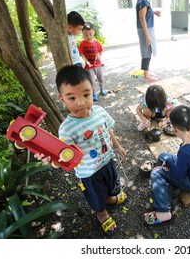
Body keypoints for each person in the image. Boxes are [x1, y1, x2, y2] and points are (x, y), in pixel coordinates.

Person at [36, 65, 127, 235]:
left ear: (92, 91)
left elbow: (108, 130)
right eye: (71, 98)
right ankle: (102, 214)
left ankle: (110, 198)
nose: (81, 102)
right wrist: (54, 160)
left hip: (107, 161)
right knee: (96, 196)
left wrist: (118, 146)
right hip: (89, 173)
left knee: (111, 185)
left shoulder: (99, 111)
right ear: (62, 99)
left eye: (86, 95)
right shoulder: (67, 129)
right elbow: (65, 156)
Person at [143, 105, 190, 226]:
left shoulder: (185, 151)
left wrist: (170, 165)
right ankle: (170, 187)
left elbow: (179, 173)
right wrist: (170, 162)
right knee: (162, 156)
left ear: (175, 130)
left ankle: (163, 212)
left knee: (156, 171)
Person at [135, 0, 161, 82]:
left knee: (148, 50)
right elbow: (142, 18)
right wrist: (147, 36)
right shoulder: (143, 1)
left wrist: (154, 12)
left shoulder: (143, 0)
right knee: (147, 51)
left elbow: (144, 14)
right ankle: (146, 75)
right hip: (145, 30)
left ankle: (147, 71)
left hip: (146, 29)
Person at [79, 22, 107, 102]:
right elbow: (82, 54)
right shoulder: (82, 43)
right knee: (91, 80)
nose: (88, 36)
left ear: (93, 32)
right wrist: (86, 62)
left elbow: (101, 51)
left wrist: (99, 56)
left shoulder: (97, 42)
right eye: (86, 35)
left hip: (98, 65)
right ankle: (94, 93)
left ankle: (102, 89)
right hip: (89, 66)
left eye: (90, 34)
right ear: (83, 34)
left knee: (100, 78)